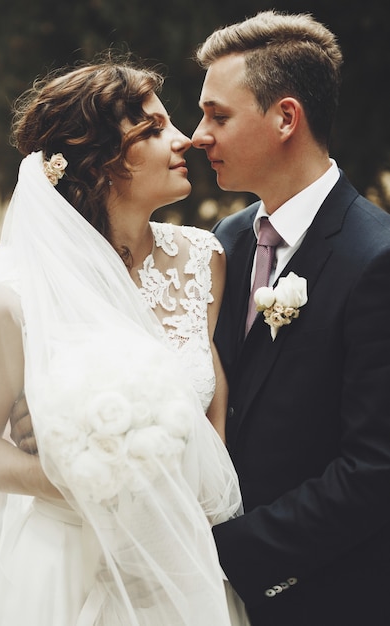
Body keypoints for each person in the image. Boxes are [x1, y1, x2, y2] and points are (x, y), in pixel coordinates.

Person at [0, 53, 247, 625]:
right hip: (69, 574)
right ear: (99, 163)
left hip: (182, 565)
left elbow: (211, 397)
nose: (183, 141)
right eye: (152, 130)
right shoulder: (19, 303)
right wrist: (64, 480)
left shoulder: (204, 262)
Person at [191, 9, 390, 626]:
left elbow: (374, 469)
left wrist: (222, 556)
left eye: (217, 115)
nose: (198, 135)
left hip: (330, 598)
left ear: (285, 117)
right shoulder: (227, 240)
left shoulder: (376, 258)